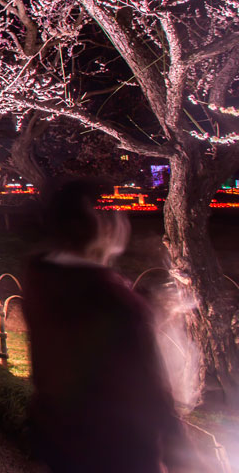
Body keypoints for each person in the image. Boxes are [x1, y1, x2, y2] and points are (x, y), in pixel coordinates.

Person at [23, 180, 192, 473]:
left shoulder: (41, 277)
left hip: (59, 441)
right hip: (119, 449)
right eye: (106, 212)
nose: (118, 220)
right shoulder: (113, 301)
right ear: (85, 226)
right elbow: (149, 389)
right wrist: (181, 455)